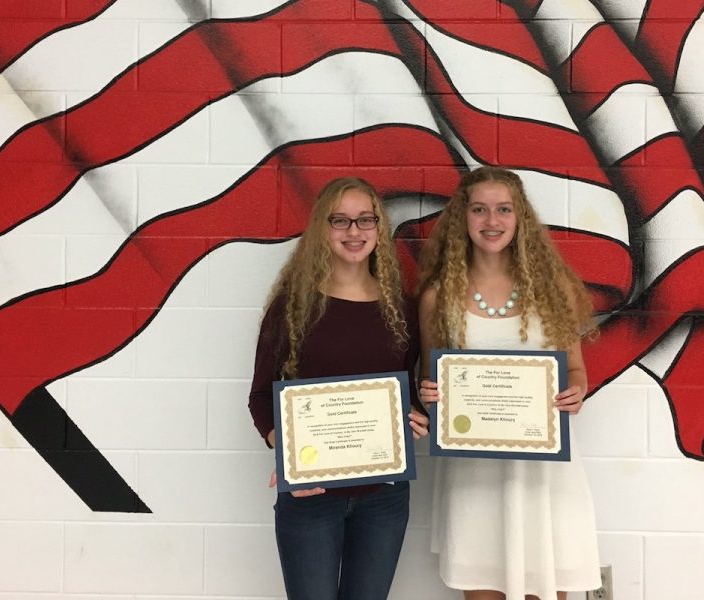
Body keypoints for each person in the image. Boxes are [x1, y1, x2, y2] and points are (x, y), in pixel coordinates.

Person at [417, 166, 601, 600]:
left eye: (503, 210)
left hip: (543, 473)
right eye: (479, 210)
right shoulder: (436, 298)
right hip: (473, 474)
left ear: (520, 219)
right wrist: (430, 393)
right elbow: (431, 380)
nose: (491, 221)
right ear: (463, 218)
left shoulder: (552, 289)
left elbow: (576, 371)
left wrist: (577, 391)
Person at [248, 177, 430, 600]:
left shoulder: (401, 308)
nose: (354, 231)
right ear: (322, 229)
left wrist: (417, 415)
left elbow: (408, 390)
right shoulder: (293, 306)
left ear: (378, 229)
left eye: (365, 220)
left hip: (384, 497)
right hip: (311, 496)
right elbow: (260, 398)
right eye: (341, 220)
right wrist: (288, 455)